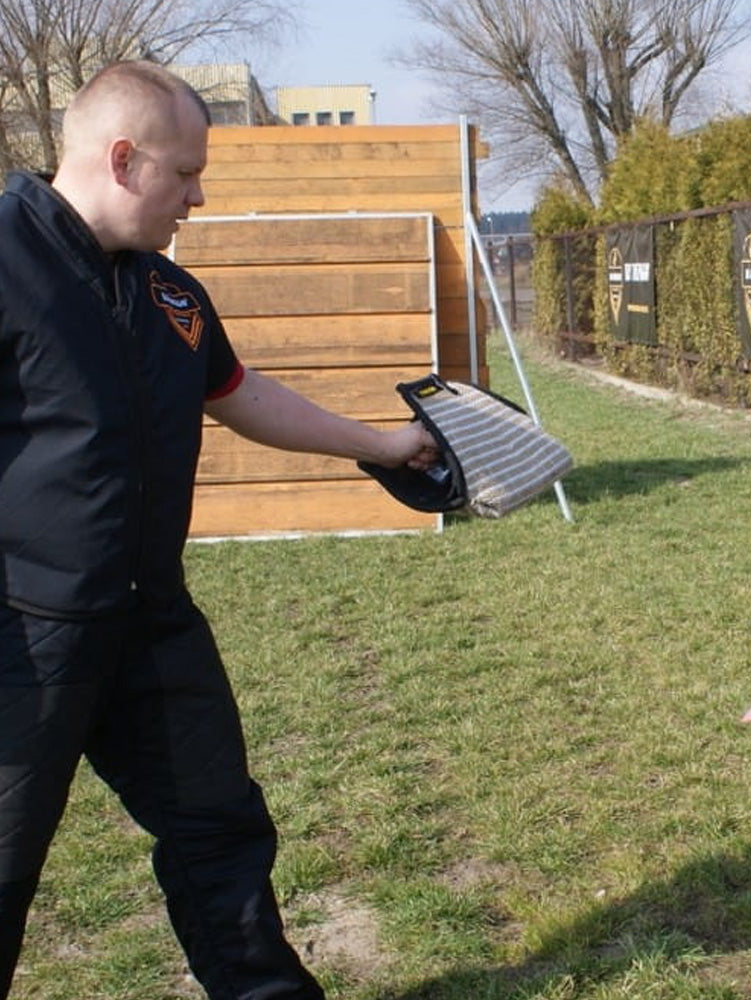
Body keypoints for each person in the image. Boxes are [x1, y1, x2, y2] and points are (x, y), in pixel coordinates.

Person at [0, 60, 437, 1000]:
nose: (199, 195)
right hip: (21, 636)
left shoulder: (169, 293)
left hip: (151, 624)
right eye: (186, 172)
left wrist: (383, 445)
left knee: (219, 832)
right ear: (123, 159)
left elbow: (238, 395)